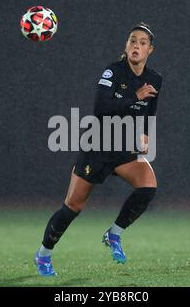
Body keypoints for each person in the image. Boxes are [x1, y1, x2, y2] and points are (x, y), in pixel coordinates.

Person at [34, 23, 163, 276]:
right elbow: (100, 108)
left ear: (150, 50)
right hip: (98, 146)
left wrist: (146, 132)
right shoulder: (112, 72)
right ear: (126, 47)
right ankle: (43, 255)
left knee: (148, 188)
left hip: (124, 148)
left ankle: (114, 234)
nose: (136, 45)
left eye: (142, 42)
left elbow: (151, 109)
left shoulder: (155, 78)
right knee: (73, 206)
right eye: (132, 40)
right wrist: (134, 97)